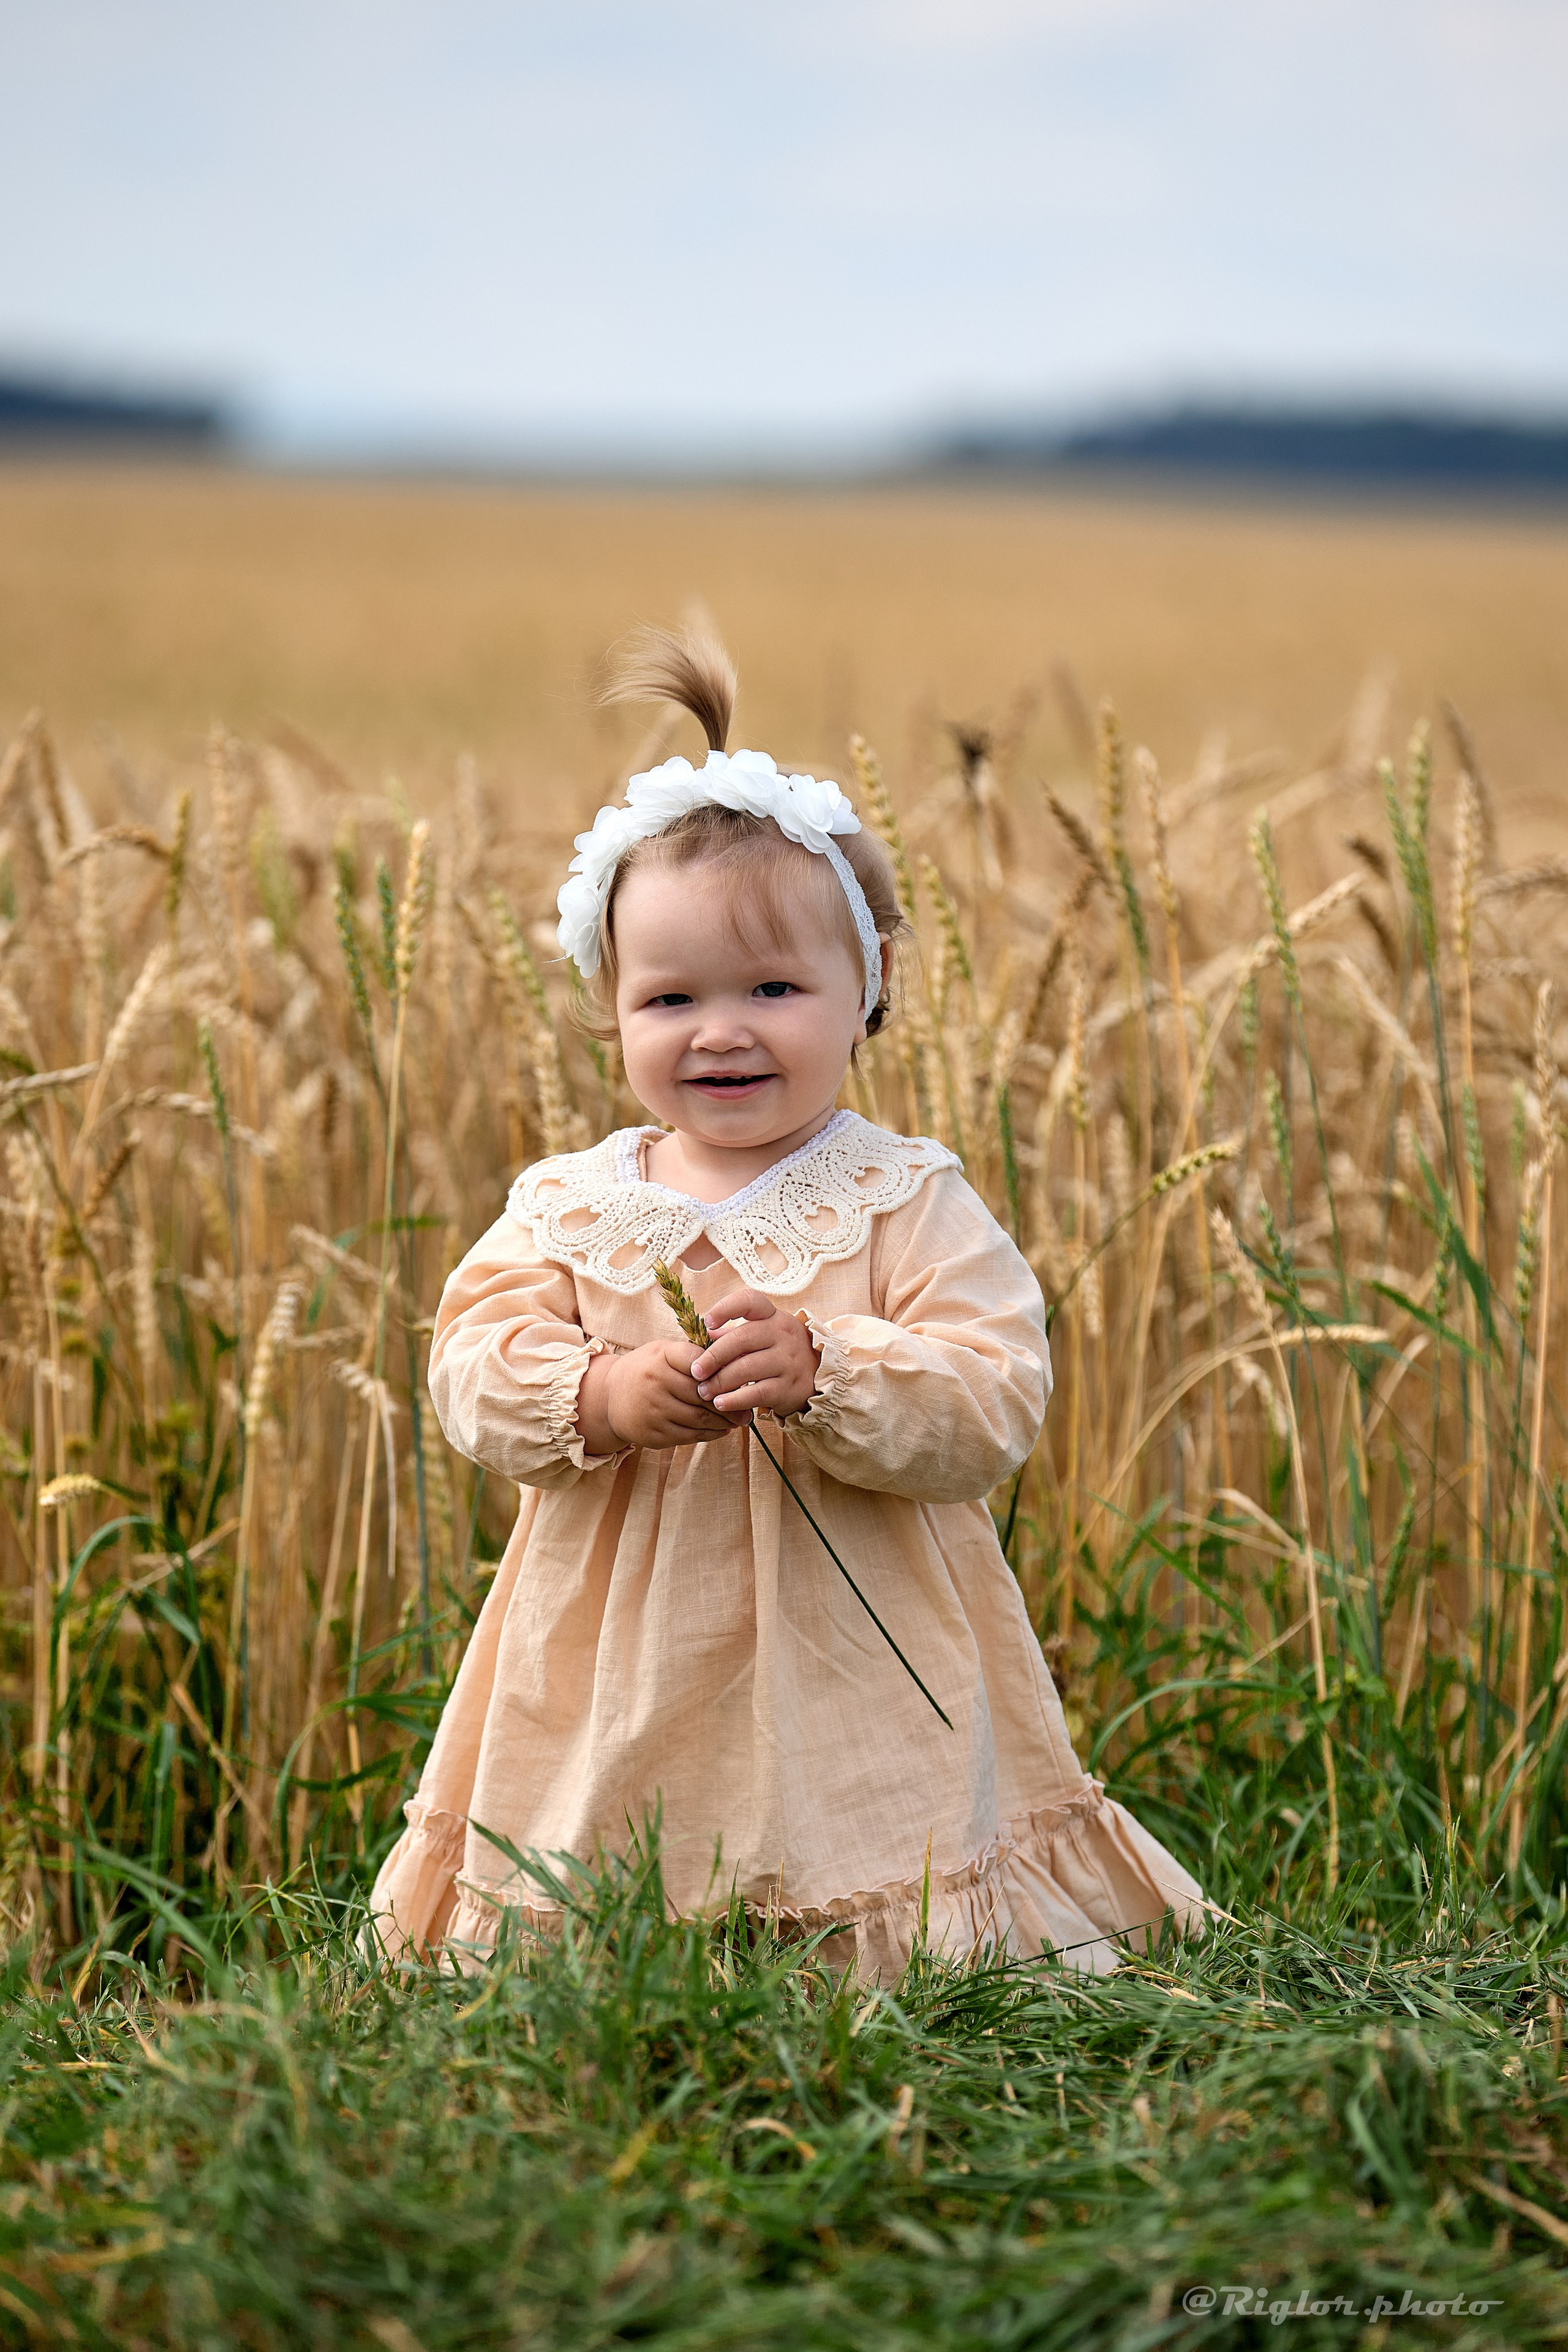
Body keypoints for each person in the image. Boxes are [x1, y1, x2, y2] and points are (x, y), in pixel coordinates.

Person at [368, 626, 1205, 1977]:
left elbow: (993, 1399)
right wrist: (595, 1391)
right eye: (669, 996)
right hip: (614, 1647)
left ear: (863, 992)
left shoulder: (900, 1195)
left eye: (772, 988)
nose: (719, 1029)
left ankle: (872, 1950)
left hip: (852, 1639)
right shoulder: (571, 1204)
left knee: (869, 1832)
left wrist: (830, 1367)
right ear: (609, 1008)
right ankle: (624, 1959)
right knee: (618, 1817)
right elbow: (467, 1368)